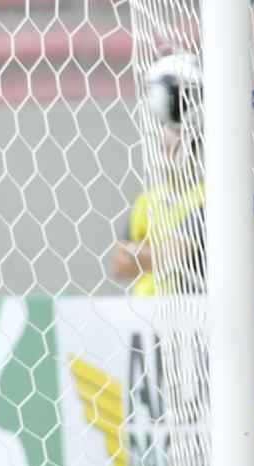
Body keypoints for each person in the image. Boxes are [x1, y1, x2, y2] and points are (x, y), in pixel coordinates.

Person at [107, 52, 206, 295]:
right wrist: (151, 255)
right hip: (145, 318)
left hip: (189, 319)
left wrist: (138, 252)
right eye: (163, 144)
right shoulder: (146, 201)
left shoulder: (206, 199)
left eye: (173, 142)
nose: (165, 150)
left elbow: (174, 255)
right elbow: (118, 265)